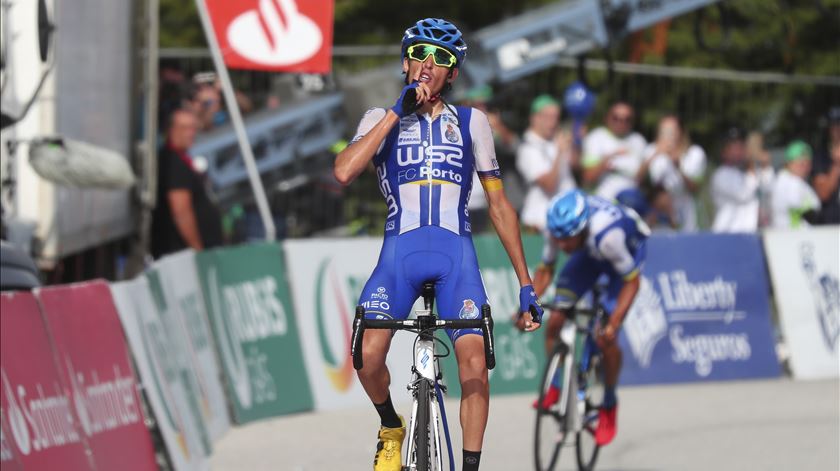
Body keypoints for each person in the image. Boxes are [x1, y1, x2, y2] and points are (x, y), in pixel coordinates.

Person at [333, 18, 543, 471]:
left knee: (473, 365)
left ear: (453, 73)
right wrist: (397, 110)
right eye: (421, 54)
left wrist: (526, 283)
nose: (429, 64)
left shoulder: (472, 122)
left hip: (456, 259)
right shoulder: (378, 118)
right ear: (406, 63)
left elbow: (501, 206)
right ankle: (391, 426)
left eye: (442, 58)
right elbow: (344, 171)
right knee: (366, 357)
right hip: (398, 257)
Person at [518, 189, 649, 446]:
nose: (563, 245)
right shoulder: (556, 229)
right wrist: (526, 306)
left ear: (583, 227)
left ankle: (609, 404)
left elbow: (632, 283)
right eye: (560, 239)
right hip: (589, 254)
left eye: (568, 239)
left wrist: (614, 323)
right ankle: (556, 386)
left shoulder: (607, 235)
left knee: (606, 338)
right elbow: (546, 270)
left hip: (625, 256)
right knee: (555, 320)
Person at [151, 109, 223, 258]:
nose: (190, 133)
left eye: (193, 128)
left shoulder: (180, 159)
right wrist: (197, 250)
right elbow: (181, 211)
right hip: (181, 253)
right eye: (184, 128)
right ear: (170, 130)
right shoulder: (173, 164)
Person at [516, 94, 578, 232]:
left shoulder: (556, 140)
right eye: (548, 117)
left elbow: (576, 166)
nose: (554, 122)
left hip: (565, 218)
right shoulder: (527, 148)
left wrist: (575, 143)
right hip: (540, 222)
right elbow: (549, 185)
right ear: (534, 118)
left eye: (556, 117)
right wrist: (560, 153)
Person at [636, 115, 706, 231]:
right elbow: (638, 180)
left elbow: (695, 188)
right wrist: (655, 155)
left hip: (685, 212)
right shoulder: (650, 150)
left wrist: (677, 166)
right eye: (664, 130)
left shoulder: (694, 153)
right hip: (656, 212)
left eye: (672, 130)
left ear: (681, 132)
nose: (668, 135)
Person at [710, 127, 774, 233]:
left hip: (749, 234)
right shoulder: (721, 174)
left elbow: (769, 189)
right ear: (724, 151)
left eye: (742, 146)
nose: (740, 151)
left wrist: (765, 166)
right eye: (734, 147)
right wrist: (752, 164)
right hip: (728, 235)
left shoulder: (745, 173)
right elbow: (743, 194)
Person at [582, 101, 647, 200]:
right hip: (603, 202)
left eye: (627, 119)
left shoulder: (639, 141)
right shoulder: (596, 137)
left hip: (631, 203)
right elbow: (587, 178)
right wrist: (606, 161)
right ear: (607, 118)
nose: (621, 123)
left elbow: (644, 182)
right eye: (616, 118)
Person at [771, 141, 821, 229]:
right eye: (801, 163)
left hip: (799, 237)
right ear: (789, 163)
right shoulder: (789, 182)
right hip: (792, 237)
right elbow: (808, 213)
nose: (805, 167)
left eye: (808, 163)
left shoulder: (798, 181)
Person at [811, 107, 840, 224]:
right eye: (833, 126)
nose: (837, 129)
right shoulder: (821, 156)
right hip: (832, 224)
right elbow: (823, 194)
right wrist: (837, 165)